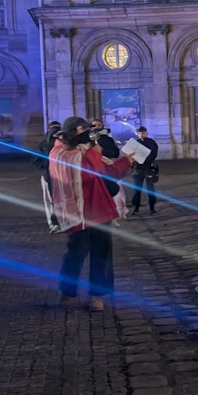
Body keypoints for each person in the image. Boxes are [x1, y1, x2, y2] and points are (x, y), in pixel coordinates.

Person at [48, 116, 135, 312]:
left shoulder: (85, 151)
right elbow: (87, 175)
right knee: (75, 253)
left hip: (99, 209)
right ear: (73, 132)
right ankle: (67, 292)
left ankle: (97, 295)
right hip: (77, 212)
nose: (87, 134)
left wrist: (127, 161)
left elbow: (107, 173)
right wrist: (95, 155)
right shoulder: (61, 153)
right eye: (83, 130)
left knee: (100, 255)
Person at [34, 120, 63, 232]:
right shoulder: (43, 144)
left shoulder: (64, 143)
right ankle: (53, 222)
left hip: (62, 176)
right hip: (47, 176)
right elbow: (36, 160)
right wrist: (49, 164)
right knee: (50, 200)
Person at [130, 126, 159, 215]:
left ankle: (152, 207)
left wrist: (145, 160)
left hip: (148, 168)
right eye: (139, 133)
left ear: (146, 133)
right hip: (138, 168)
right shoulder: (136, 143)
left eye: (143, 133)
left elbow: (153, 154)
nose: (141, 135)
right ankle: (136, 208)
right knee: (137, 189)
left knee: (150, 188)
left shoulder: (151, 142)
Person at [90, 118, 121, 197]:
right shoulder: (87, 140)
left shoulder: (108, 140)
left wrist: (103, 151)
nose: (97, 127)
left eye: (99, 125)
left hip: (107, 170)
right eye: (94, 125)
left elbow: (116, 153)